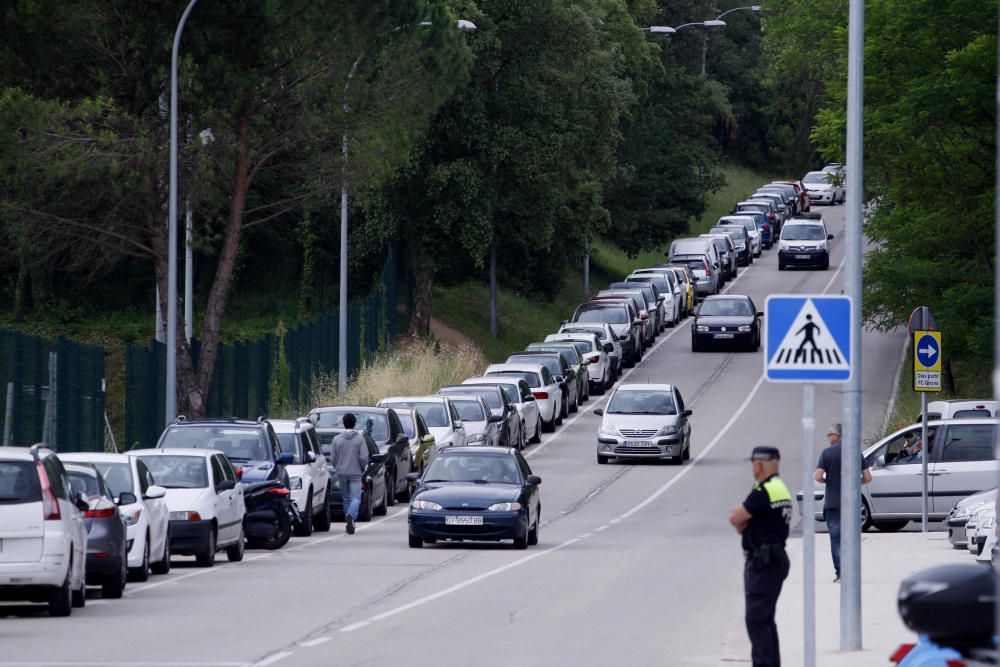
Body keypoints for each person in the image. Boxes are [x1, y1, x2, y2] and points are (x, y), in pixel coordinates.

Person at [729, 446, 792, 667]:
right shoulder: (779, 488)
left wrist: (742, 522)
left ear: (759, 464)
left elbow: (736, 518)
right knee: (765, 620)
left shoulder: (763, 490)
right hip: (774, 560)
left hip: (763, 563)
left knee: (756, 620)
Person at [814, 423, 872, 582]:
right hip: (852, 504)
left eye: (829, 435)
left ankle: (840, 572)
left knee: (836, 539)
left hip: (833, 504)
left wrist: (829, 480)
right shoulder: (855, 453)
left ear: (837, 435)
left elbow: (818, 476)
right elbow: (867, 478)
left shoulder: (827, 453)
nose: (828, 438)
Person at [330, 413, 368, 535]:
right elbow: (364, 457)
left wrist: (337, 467)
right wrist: (362, 467)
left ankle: (348, 522)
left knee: (346, 498)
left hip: (341, 472)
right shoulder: (360, 439)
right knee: (356, 498)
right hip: (355, 472)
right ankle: (351, 516)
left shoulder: (337, 439)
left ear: (343, 423)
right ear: (355, 423)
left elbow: (333, 458)